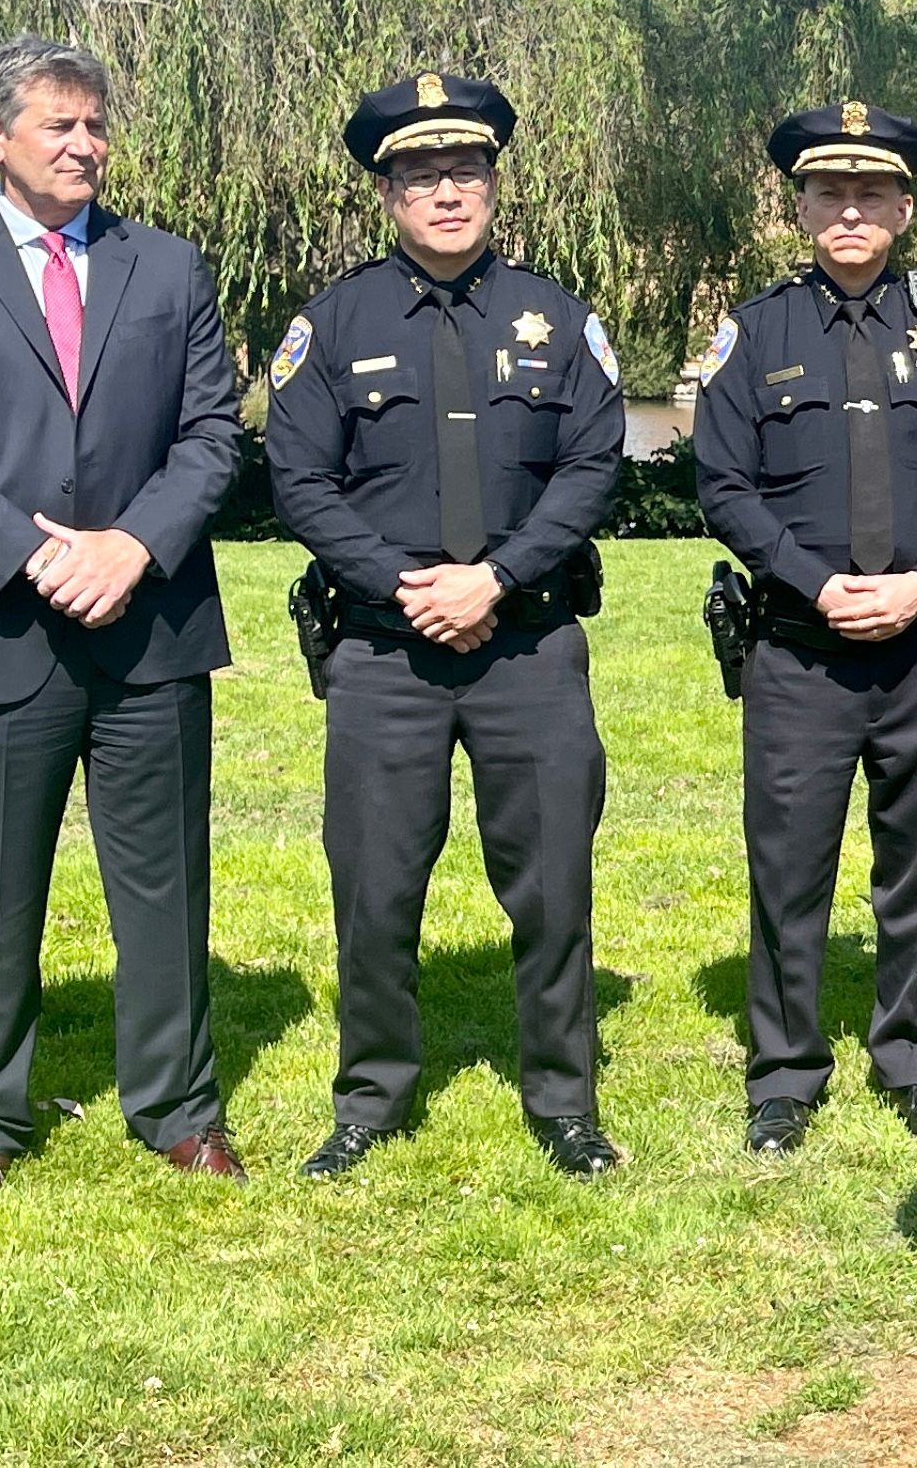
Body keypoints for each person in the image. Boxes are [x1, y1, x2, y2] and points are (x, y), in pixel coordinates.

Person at [0, 35, 246, 1191]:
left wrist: (132, 544)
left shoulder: (167, 269)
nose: (85, 145)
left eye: (96, 124)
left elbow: (213, 435)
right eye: (58, 125)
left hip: (148, 624)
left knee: (166, 881)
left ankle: (178, 1105)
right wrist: (34, 554)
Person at [263, 73, 626, 1180]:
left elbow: (591, 462)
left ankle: (563, 1100)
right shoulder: (332, 322)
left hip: (529, 645)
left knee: (553, 882)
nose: (446, 192)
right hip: (384, 651)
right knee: (373, 886)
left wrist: (499, 578)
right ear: (386, 192)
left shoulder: (558, 317)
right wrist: (411, 581)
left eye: (464, 170)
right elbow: (298, 476)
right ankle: (371, 1096)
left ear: (493, 183)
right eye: (420, 175)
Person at [694, 101, 917, 1154]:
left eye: (871, 193)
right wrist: (813, 583)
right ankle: (783, 1072)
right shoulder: (755, 329)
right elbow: (720, 482)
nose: (849, 210)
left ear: (904, 206)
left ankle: (914, 1058)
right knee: (789, 864)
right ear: (800, 205)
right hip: (798, 647)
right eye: (829, 192)